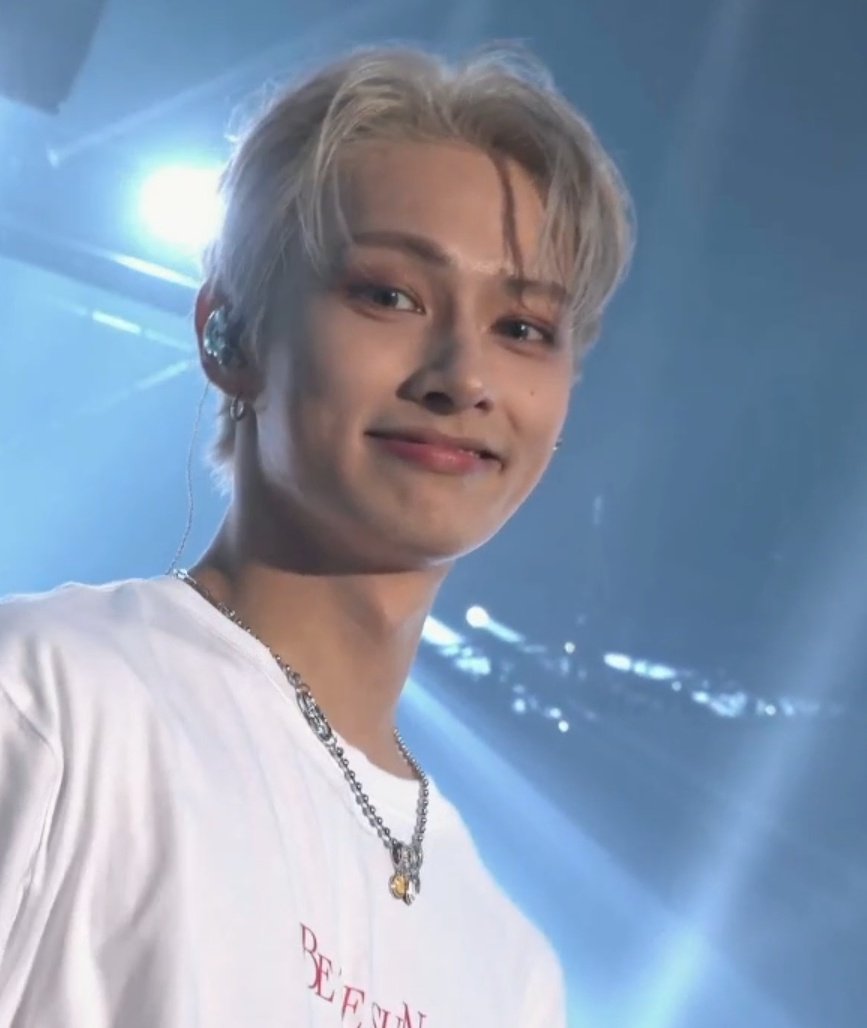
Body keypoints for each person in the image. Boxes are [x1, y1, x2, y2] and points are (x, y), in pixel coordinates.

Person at [0, 45, 632, 1027]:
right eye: (390, 294)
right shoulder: (47, 703)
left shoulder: (512, 969)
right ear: (231, 336)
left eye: (523, 328)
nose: (463, 376)